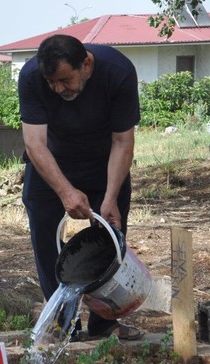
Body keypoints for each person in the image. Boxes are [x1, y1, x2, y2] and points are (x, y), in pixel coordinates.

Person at [18, 34, 143, 340]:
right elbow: (35, 143)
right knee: (45, 235)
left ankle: (105, 325)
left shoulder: (118, 72)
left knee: (111, 238)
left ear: (86, 64)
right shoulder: (31, 76)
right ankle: (64, 325)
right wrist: (65, 191)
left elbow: (123, 141)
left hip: (105, 163)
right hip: (52, 165)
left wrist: (111, 196)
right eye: (52, 83)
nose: (58, 89)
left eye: (64, 80)